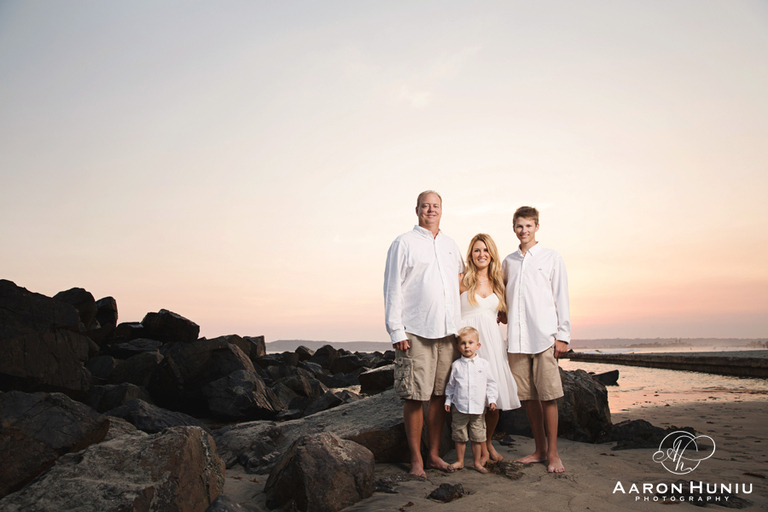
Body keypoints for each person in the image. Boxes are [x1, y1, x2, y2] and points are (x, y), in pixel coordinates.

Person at [384, 190, 465, 477]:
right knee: (415, 396)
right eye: (425, 206)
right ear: (416, 209)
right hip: (415, 331)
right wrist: (396, 330)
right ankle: (416, 458)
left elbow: (460, 286)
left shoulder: (450, 245)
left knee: (439, 396)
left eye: (436, 206)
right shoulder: (403, 243)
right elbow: (393, 287)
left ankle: (433, 455)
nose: (431, 210)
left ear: (442, 210)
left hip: (448, 332)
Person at [501, 206, 570, 474]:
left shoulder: (552, 258)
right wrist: (500, 314)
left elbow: (560, 296)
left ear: (536, 227)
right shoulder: (508, 261)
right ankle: (539, 449)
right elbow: (506, 297)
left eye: (528, 226)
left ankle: (553, 454)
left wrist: (562, 336)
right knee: (529, 398)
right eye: (519, 226)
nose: (524, 230)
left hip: (543, 337)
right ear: (514, 228)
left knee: (548, 396)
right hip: (517, 340)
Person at [459, 233, 520, 465]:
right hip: (469, 345)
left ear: (492, 254)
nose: (481, 254)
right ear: (471, 254)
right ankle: (478, 446)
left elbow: (503, 316)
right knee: (473, 399)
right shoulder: (462, 280)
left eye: (485, 250)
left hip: (493, 344)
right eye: (476, 250)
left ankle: (488, 442)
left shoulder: (498, 283)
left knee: (494, 401)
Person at [444, 326, 498, 473]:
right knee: (459, 436)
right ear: (458, 347)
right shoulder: (456, 366)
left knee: (477, 436)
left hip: (478, 408)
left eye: (470, 342)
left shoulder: (484, 365)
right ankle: (460, 461)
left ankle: (476, 463)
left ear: (477, 345)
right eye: (463, 343)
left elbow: (491, 384)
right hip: (459, 406)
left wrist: (492, 400)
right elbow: (451, 385)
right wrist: (448, 401)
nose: (467, 346)